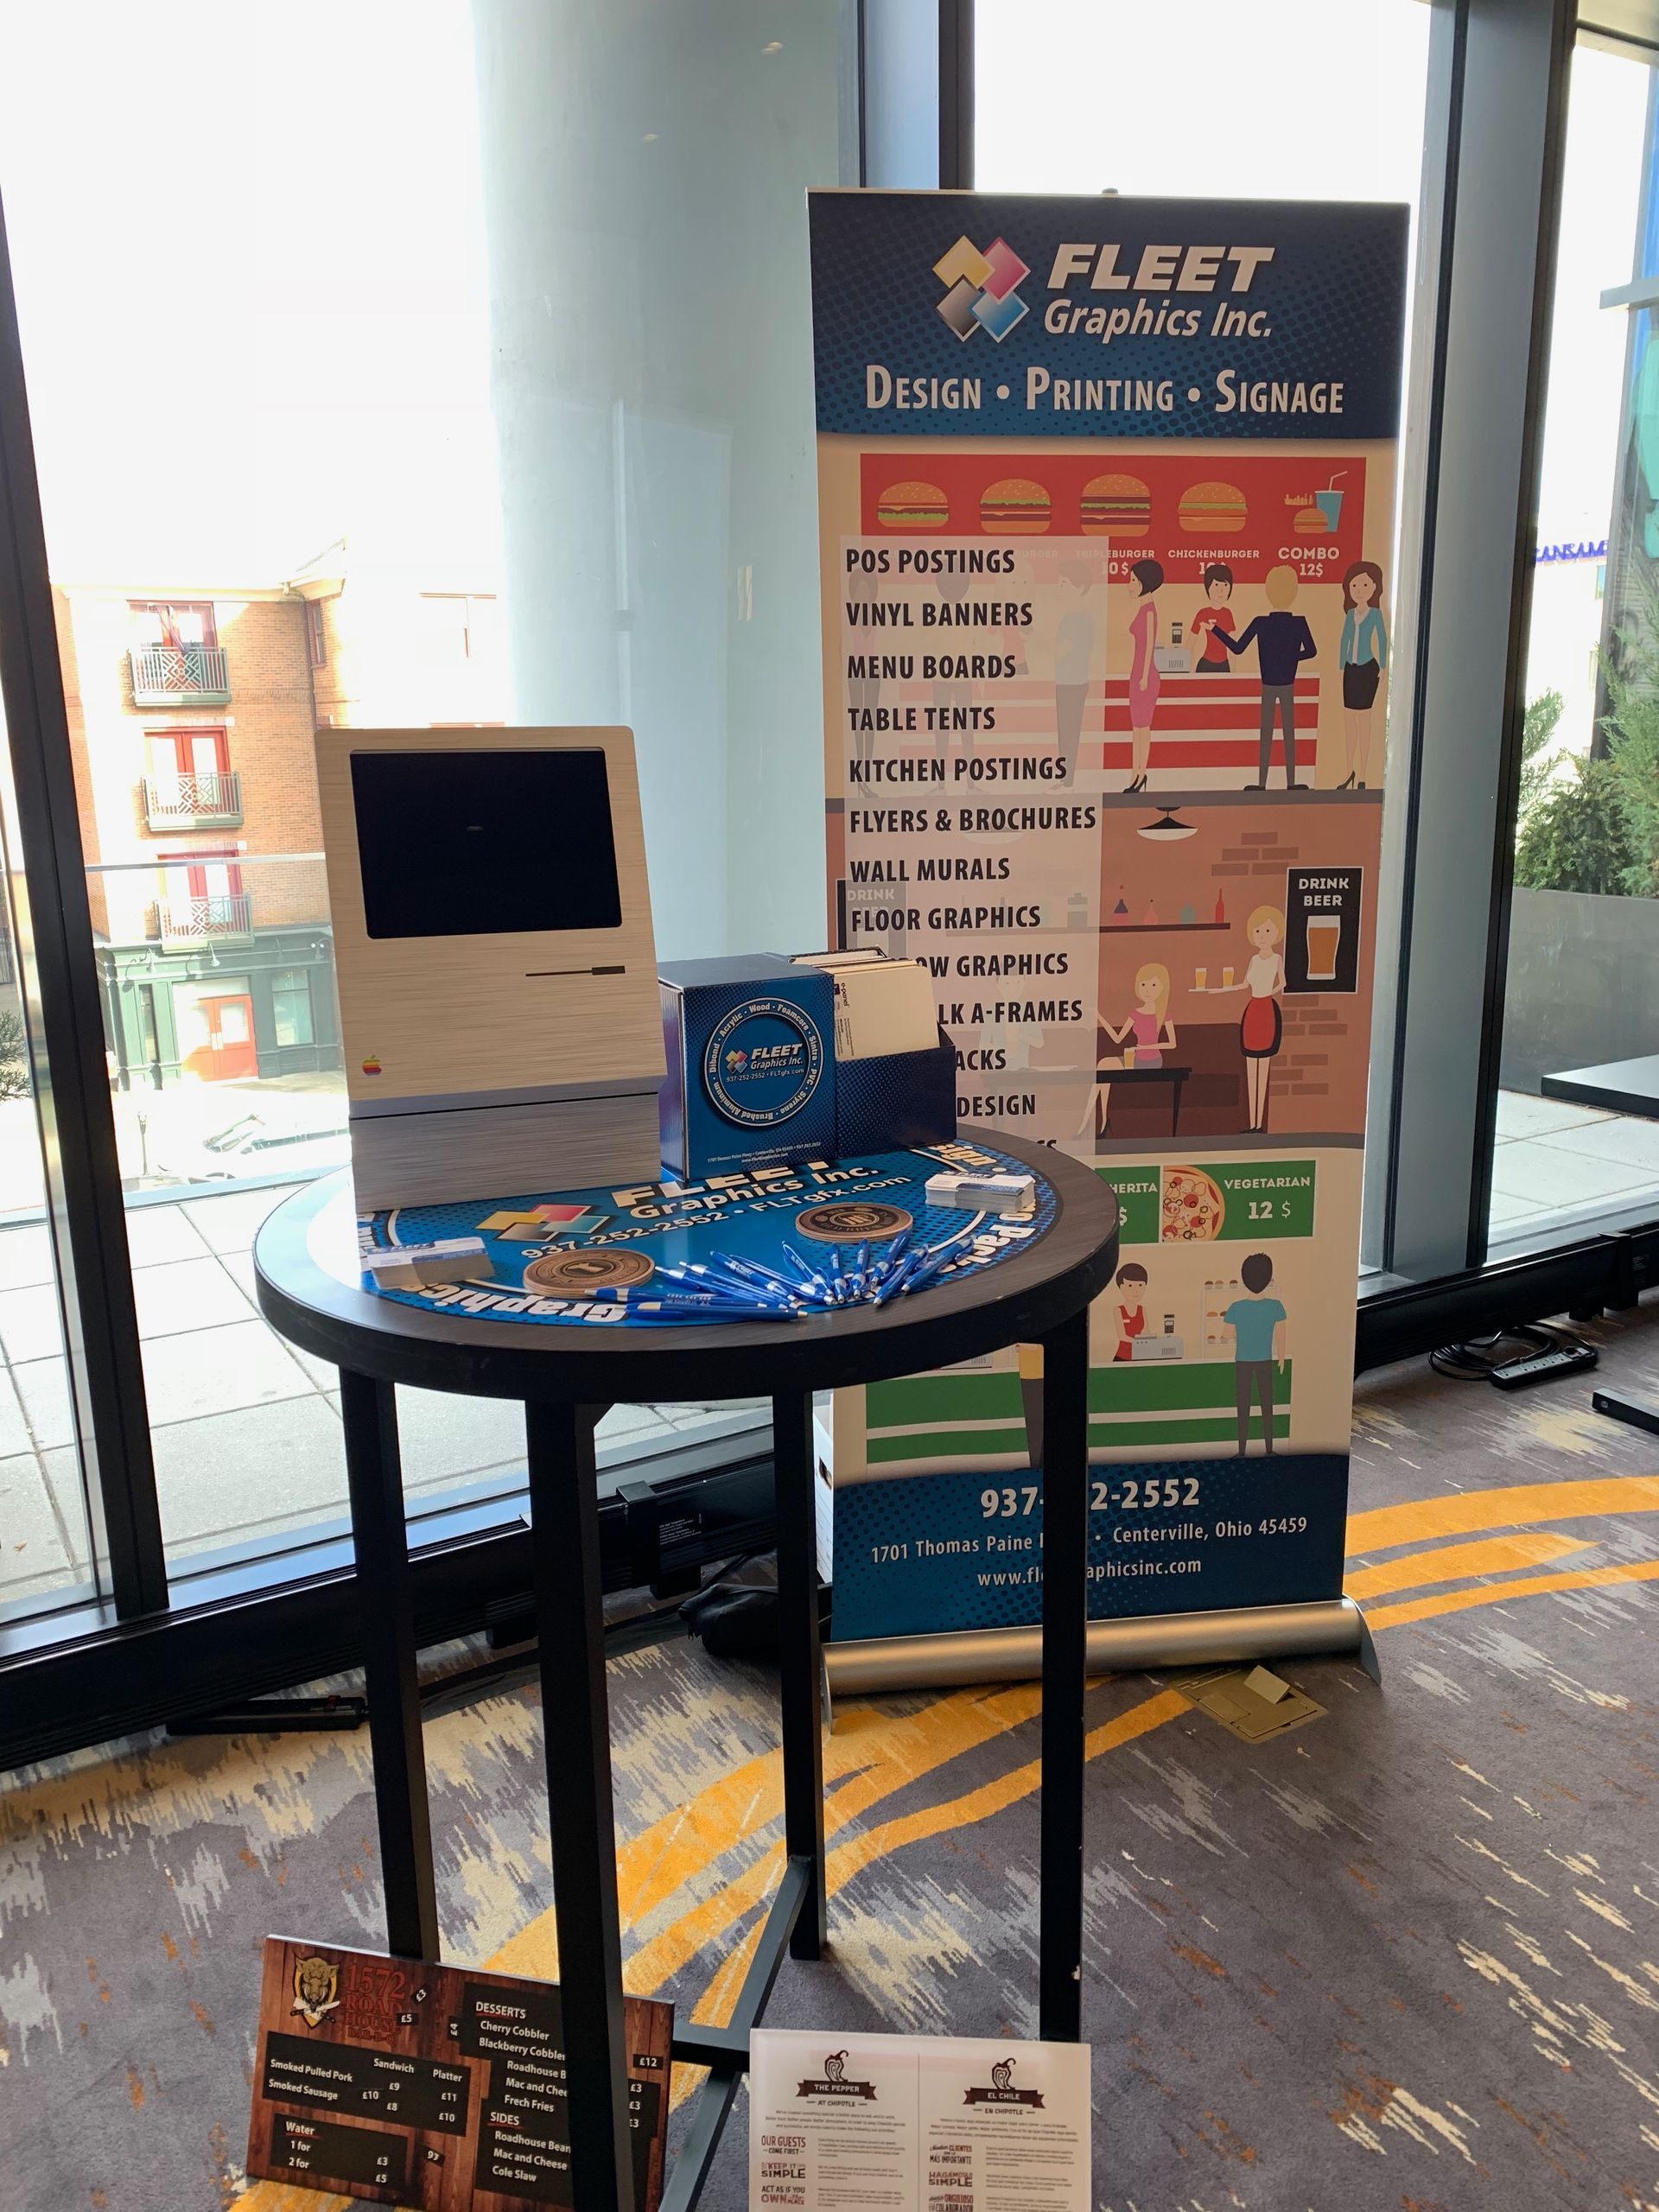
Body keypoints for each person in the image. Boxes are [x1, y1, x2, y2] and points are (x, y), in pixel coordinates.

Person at [1209, 564, 1316, 787]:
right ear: (1294, 592)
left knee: (1266, 733)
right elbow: (1312, 651)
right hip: (1287, 683)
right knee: (1289, 733)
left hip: (1269, 684)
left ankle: (1262, 783)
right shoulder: (1299, 623)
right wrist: (1292, 658)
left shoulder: (1262, 622)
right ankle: (1291, 783)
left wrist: (1216, 630)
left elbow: (1238, 648)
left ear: (1268, 592)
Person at [1076, 961, 1175, 1140]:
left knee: (1105, 1068)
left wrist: (1148, 1046)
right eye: (1144, 984)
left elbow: (1172, 1043)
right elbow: (1118, 1038)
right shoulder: (1135, 1013)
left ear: (1162, 987)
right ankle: (1102, 1120)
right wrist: (1099, 1016)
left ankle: (1092, 1124)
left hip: (1152, 1061)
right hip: (1134, 1058)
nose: (1147, 989)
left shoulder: (1164, 1013)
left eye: (1153, 985)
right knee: (1103, 1066)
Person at [1213, 906, 1285, 1131]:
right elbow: (1244, 984)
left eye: (1267, 930)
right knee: (1250, 1068)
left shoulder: (1276, 959)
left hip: (1267, 1011)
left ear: (1276, 933)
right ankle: (1252, 1123)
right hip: (1252, 1010)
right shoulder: (1253, 959)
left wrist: (1269, 991)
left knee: (1263, 1068)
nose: (1262, 935)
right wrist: (1220, 990)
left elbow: (1283, 982)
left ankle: (1260, 1123)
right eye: (1258, 931)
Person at [1223, 1251, 1287, 1456]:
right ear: (1268, 1278)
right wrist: (1282, 1358)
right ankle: (1269, 1449)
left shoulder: (1236, 1308)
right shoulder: (1275, 1306)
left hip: (1242, 1361)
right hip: (1266, 1361)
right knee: (1267, 1406)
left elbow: (1226, 1335)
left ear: (1244, 1278)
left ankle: (1241, 1452)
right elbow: (1281, 1336)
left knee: (1243, 1407)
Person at [1338, 559, 1388, 789]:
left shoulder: (1376, 614)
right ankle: (1349, 770)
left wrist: (1384, 668)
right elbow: (1344, 641)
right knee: (1349, 721)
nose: (1359, 590)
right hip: (1350, 669)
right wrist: (1341, 668)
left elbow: (1383, 640)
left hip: (1369, 668)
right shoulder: (1350, 615)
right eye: (1355, 586)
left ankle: (1365, 774)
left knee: (1364, 720)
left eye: (1365, 585)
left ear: (1374, 587)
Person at [1052, 561, 1097, 780]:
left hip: (1073, 684)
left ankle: (1067, 781)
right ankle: (1065, 780)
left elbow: (1061, 651)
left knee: (1070, 733)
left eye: (1064, 584)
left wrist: (1038, 642)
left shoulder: (1079, 619)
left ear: (1079, 588)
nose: (1058, 589)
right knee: (1065, 733)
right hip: (1065, 682)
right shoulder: (1071, 617)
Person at [1124, 556, 1163, 792]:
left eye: (1133, 580)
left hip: (1145, 676)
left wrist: (1145, 675)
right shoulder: (1143, 609)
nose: (1129, 585)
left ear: (1145, 583)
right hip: (1137, 674)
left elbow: (1149, 644)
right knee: (1136, 729)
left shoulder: (1149, 611)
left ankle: (1140, 775)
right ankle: (1135, 775)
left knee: (1143, 727)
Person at [1189, 563, 1236, 674]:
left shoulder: (1228, 613)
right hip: (1205, 664)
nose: (1221, 590)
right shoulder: (1203, 613)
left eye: (1225, 585)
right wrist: (1190, 672)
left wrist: (1234, 673)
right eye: (1216, 585)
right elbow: (1190, 644)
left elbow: (1233, 646)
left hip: (1224, 665)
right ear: (1208, 588)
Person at [1112, 1262, 1150, 1361]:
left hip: (1140, 1356)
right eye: (1130, 1286)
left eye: (1140, 1285)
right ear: (1121, 1287)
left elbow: (1146, 1333)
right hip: (1122, 1357)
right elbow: (1122, 1336)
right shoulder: (1118, 1310)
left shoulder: (1142, 1310)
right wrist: (1139, 1343)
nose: (1136, 1290)